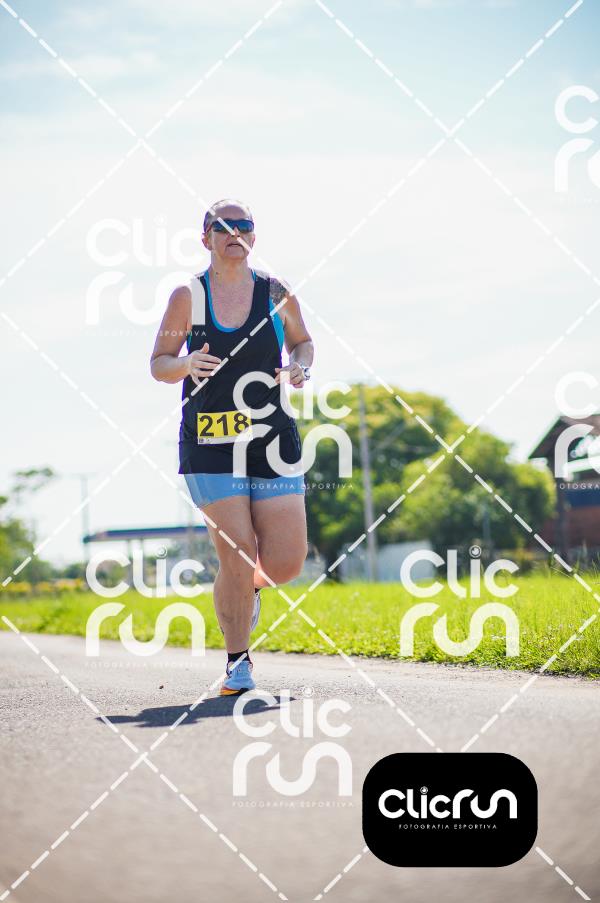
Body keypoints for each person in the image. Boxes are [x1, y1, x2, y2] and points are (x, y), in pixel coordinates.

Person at [150, 199, 313, 695]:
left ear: (253, 237)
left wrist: (301, 366)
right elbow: (159, 362)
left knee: (285, 563)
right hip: (210, 443)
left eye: (243, 226)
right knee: (237, 553)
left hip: (271, 439)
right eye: (222, 226)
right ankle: (237, 663)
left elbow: (303, 342)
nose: (233, 233)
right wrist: (185, 365)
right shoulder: (188, 296)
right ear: (206, 238)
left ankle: (249, 588)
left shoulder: (275, 291)